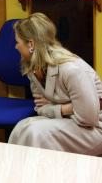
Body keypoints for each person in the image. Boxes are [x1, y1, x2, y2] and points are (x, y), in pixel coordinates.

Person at [8, 12, 102, 156]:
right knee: (21, 128)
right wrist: (70, 106)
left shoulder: (72, 68)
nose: (16, 47)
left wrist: (57, 107)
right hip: (69, 120)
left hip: (94, 128)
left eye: (18, 42)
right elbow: (41, 108)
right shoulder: (33, 69)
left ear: (31, 44)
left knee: (36, 133)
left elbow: (88, 117)